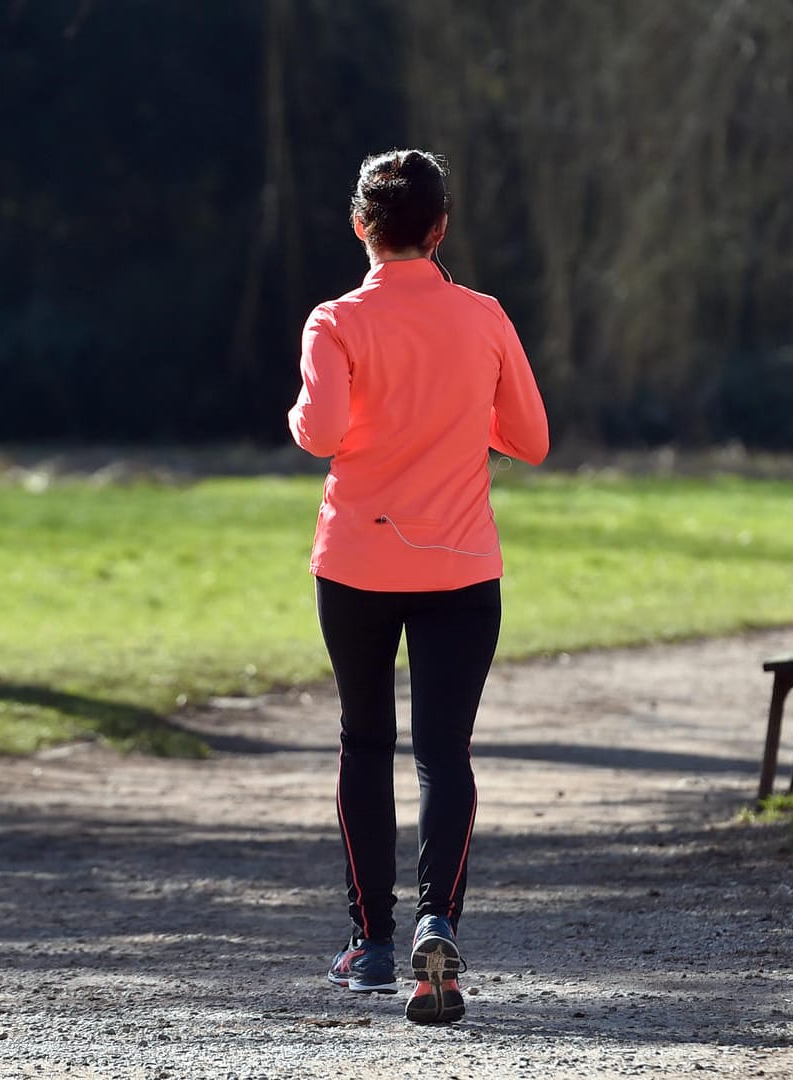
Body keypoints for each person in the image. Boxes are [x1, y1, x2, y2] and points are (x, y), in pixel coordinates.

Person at [288, 148, 548, 1025]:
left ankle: (372, 946)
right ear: (440, 229)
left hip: (356, 564)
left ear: (362, 226)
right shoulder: (484, 317)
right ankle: (441, 919)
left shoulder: (334, 322)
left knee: (365, 742)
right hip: (462, 565)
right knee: (445, 752)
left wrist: (304, 410)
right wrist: (456, 408)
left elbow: (319, 432)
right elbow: (532, 438)